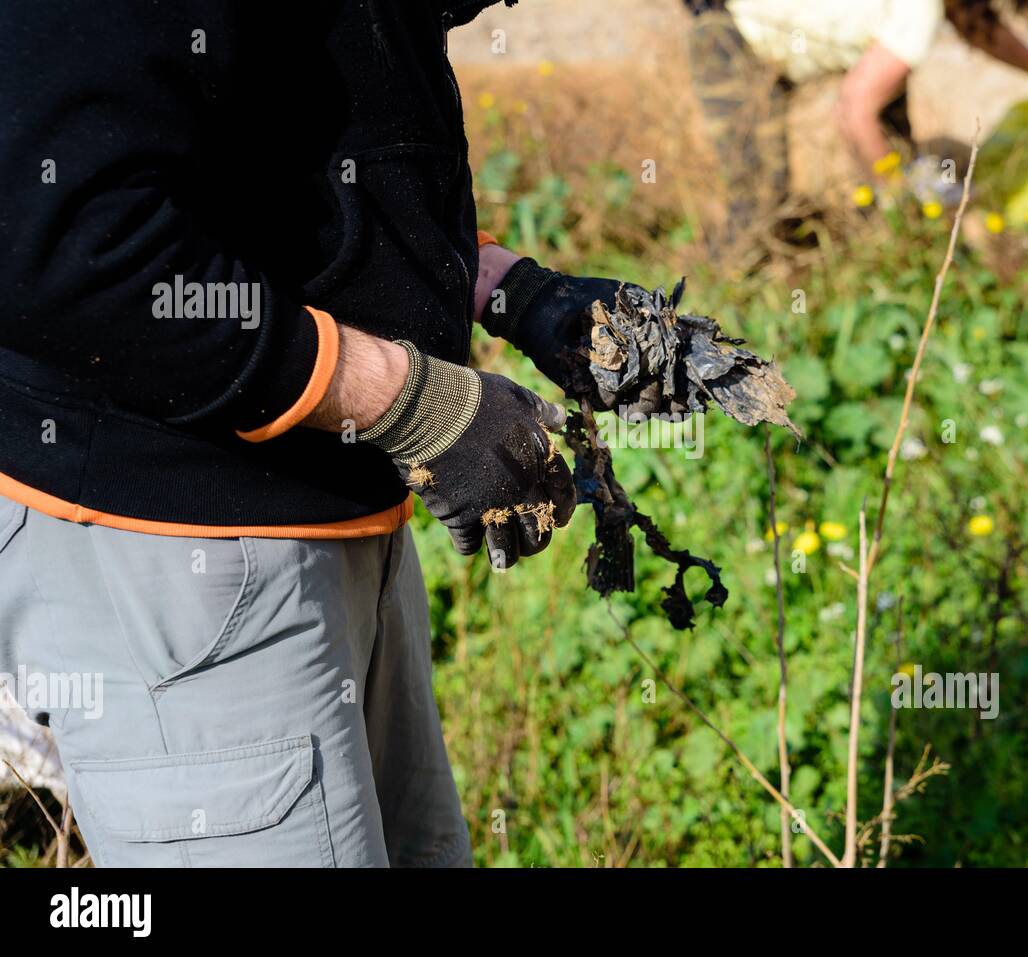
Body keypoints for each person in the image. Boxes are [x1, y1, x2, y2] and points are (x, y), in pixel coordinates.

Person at [0, 0, 669, 867]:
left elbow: (306, 133)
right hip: (181, 552)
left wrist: (510, 290)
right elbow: (69, 241)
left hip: (339, 516)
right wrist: (407, 401)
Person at [683, 0, 1028, 228]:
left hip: (765, 35)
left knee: (895, 132)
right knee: (758, 201)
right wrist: (903, 199)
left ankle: (883, 235)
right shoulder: (918, 12)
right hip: (731, 41)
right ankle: (712, 316)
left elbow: (979, 25)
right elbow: (852, 111)